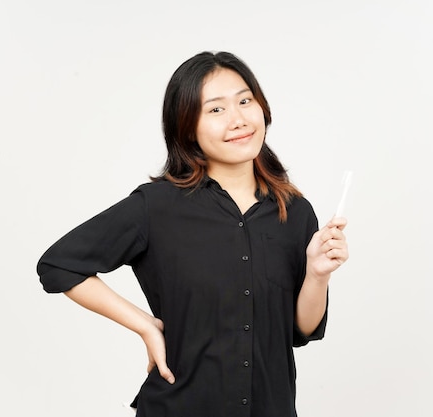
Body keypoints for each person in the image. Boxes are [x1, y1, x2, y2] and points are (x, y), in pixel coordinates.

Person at [36, 50, 349, 417]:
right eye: (216, 109)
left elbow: (300, 331)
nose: (238, 119)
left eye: (245, 101)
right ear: (187, 127)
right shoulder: (156, 206)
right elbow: (59, 265)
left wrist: (317, 274)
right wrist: (146, 326)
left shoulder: (294, 212)